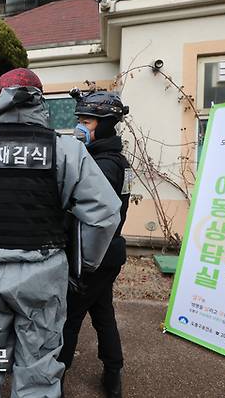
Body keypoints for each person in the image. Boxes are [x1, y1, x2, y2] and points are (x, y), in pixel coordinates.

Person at [0, 68, 122, 398]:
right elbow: (105, 213)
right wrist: (85, 266)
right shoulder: (67, 150)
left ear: (0, 100)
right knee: (38, 375)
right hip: (43, 277)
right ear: (39, 100)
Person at [59, 90, 132, 398]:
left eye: (86, 121)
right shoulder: (118, 160)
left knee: (69, 318)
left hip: (92, 255)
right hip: (111, 252)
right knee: (103, 313)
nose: (80, 127)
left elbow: (88, 215)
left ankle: (54, 378)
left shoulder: (102, 165)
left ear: (104, 124)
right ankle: (113, 375)